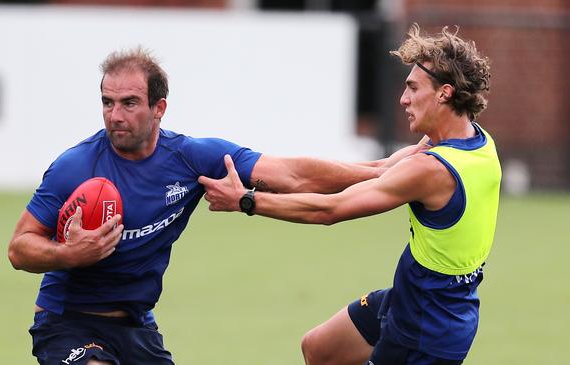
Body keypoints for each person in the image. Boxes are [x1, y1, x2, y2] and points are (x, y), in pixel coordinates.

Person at [7, 47, 429, 365]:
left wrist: (377, 170)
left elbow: (292, 175)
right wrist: (69, 254)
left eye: (129, 103)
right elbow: (19, 247)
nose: (115, 114)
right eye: (107, 102)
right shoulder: (75, 167)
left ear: (159, 109)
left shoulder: (191, 159)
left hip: (135, 326)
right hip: (67, 322)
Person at [199, 24, 499, 365]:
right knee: (319, 349)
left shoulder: (433, 170)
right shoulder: (472, 140)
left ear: (444, 93)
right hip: (412, 299)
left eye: (413, 88)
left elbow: (331, 210)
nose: (403, 99)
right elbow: (378, 170)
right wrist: (273, 176)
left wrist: (246, 202)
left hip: (426, 330)